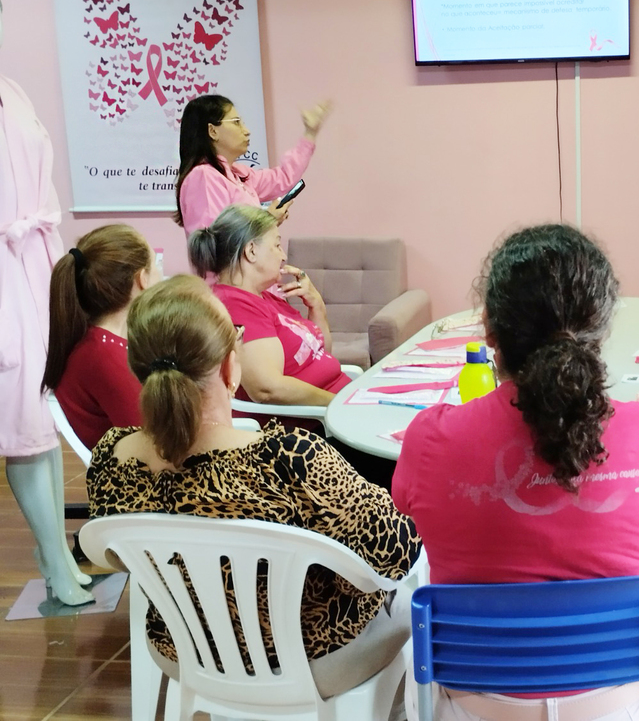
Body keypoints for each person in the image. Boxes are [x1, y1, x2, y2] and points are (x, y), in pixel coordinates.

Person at [392, 224, 639, 721]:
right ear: (601, 326)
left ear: (489, 327)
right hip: (623, 703)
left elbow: (422, 532)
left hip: (478, 706)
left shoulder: (430, 440)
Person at [87, 274, 420, 702]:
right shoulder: (290, 459)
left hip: (182, 651)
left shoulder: (110, 459)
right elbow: (397, 551)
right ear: (230, 367)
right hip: (311, 656)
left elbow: (112, 556)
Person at [0, 0, 93, 606]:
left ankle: (55, 549)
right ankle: (52, 558)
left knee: (47, 397)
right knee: (23, 413)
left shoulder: (14, 91)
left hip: (33, 258)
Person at [188, 205, 351, 408]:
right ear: (251, 251)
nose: (283, 256)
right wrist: (341, 406)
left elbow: (321, 353)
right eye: (276, 245)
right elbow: (266, 388)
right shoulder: (236, 305)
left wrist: (316, 305)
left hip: (339, 402)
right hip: (313, 424)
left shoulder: (264, 296)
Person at [42, 224, 154, 450]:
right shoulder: (105, 357)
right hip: (140, 478)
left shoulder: (98, 344)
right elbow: (152, 441)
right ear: (142, 279)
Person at [173, 94, 331, 234]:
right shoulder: (203, 177)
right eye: (236, 122)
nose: (247, 131)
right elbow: (211, 242)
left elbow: (283, 177)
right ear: (213, 131)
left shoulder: (238, 176)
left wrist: (310, 133)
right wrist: (266, 221)